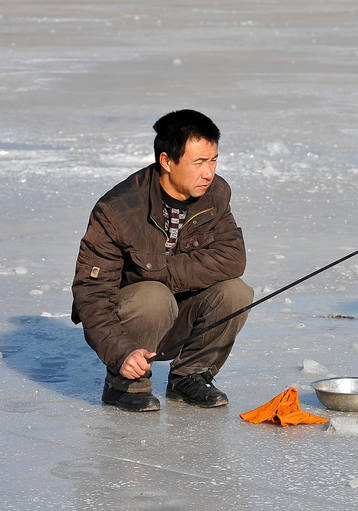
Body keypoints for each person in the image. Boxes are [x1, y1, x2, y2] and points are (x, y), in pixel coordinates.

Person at [71, 109, 253, 412]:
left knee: (236, 292)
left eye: (213, 160)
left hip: (181, 314)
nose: (209, 173)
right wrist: (120, 352)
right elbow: (91, 294)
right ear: (166, 161)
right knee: (153, 297)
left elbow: (232, 258)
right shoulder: (117, 210)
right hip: (135, 319)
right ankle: (126, 383)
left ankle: (190, 376)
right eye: (198, 162)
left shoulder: (216, 193)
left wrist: (157, 272)